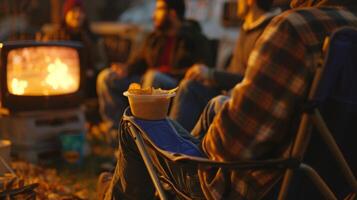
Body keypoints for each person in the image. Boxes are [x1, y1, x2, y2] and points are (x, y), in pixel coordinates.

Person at [98, 0, 357, 199]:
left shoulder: (296, 28)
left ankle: (121, 191)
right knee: (213, 105)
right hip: (324, 186)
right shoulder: (348, 28)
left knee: (133, 121)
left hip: (246, 186)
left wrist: (217, 119)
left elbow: (227, 148)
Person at [96, 0, 211, 132]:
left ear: (172, 14)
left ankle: (144, 136)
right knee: (106, 77)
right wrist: (126, 68)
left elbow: (201, 70)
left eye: (158, 10)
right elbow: (140, 61)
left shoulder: (195, 38)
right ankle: (118, 136)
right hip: (147, 82)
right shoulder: (154, 38)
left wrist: (169, 73)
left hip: (174, 87)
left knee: (153, 77)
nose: (153, 15)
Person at [170, 0, 280, 131]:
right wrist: (210, 79)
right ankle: (175, 141)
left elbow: (251, 80)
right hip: (228, 92)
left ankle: (174, 143)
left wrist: (211, 74)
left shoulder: (267, 31)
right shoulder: (247, 27)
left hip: (241, 102)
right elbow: (233, 70)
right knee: (191, 85)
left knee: (189, 89)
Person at [40, 0, 108, 98]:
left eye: (80, 12)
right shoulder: (54, 37)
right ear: (65, 14)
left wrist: (93, 70)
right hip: (59, 81)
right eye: (73, 11)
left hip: (87, 82)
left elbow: (102, 62)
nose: (77, 15)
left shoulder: (93, 39)